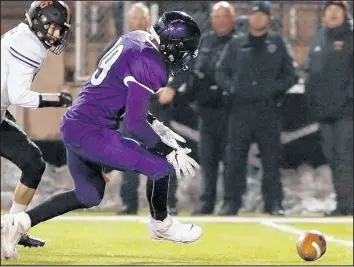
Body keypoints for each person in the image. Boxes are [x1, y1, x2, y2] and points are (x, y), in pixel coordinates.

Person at [1, 11, 202, 260]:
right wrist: (168, 150)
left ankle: (17, 223)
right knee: (161, 167)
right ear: (173, 44)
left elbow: (115, 87)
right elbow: (134, 123)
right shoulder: (152, 63)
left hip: (75, 124)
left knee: (89, 194)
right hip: (92, 131)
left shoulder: (135, 38)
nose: (184, 57)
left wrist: (155, 123)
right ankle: (161, 224)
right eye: (184, 50)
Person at [0, 0, 73, 248]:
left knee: (32, 162)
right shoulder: (28, 44)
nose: (56, 34)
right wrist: (55, 100)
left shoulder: (27, 36)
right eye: (53, 27)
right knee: (32, 162)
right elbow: (18, 96)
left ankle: (12, 229)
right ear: (40, 21)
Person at [97, 3, 181, 215]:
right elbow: (103, 68)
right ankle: (129, 203)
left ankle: (167, 203)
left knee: (164, 155)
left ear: (148, 20)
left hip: (157, 110)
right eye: (133, 18)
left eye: (141, 17)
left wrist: (170, 86)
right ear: (127, 21)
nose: (138, 22)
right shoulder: (119, 45)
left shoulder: (161, 44)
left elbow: (179, 66)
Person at [216, 1, 298, 215]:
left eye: (263, 15)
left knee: (271, 160)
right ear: (249, 18)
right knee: (234, 160)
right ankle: (231, 203)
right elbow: (221, 72)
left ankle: (274, 203)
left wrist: (273, 90)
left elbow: (292, 75)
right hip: (240, 110)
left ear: (268, 19)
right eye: (255, 15)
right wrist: (232, 87)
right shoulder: (236, 44)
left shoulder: (278, 43)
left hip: (267, 110)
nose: (258, 18)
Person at [189, 1, 237, 215]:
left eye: (224, 16)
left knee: (231, 161)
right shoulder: (205, 41)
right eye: (216, 17)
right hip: (207, 111)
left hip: (231, 110)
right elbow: (194, 72)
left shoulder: (239, 41)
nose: (220, 21)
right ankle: (206, 203)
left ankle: (229, 203)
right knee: (207, 160)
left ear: (232, 19)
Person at [306, 0, 353, 216]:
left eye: (337, 10)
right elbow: (312, 74)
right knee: (333, 158)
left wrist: (348, 98)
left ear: (345, 14)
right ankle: (343, 203)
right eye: (329, 11)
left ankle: (347, 205)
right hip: (325, 113)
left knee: (345, 158)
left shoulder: (351, 37)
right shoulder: (320, 38)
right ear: (324, 16)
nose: (333, 14)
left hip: (347, 111)